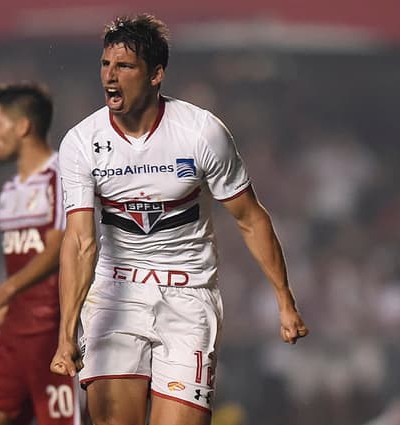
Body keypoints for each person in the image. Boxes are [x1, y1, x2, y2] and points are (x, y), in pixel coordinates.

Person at [49, 14, 308, 425]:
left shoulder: (201, 132)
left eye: (125, 66)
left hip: (188, 297)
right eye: (105, 65)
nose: (110, 77)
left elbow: (249, 218)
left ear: (156, 75)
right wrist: (66, 333)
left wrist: (284, 300)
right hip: (116, 295)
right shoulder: (82, 141)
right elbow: (80, 242)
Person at [0, 82, 83, 425]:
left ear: (23, 126)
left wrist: (2, 293)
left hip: (55, 337)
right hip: (12, 339)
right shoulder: (9, 192)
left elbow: (61, 247)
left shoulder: (63, 175)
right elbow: (24, 274)